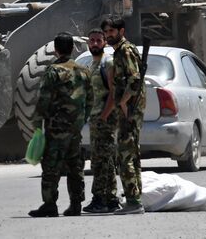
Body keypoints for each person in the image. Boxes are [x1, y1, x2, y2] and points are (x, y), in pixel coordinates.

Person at [29, 33, 93, 218]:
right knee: (75, 166)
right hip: (75, 129)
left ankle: (50, 204)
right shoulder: (84, 71)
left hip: (56, 128)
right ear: (72, 48)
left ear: (56, 50)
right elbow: (90, 101)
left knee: (51, 166)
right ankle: (76, 205)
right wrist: (80, 120)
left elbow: (43, 101)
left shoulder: (53, 71)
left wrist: (38, 126)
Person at [100, 16, 146, 215]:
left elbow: (134, 79)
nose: (108, 35)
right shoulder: (121, 50)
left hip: (130, 110)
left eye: (111, 31)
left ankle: (134, 201)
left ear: (121, 31)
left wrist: (124, 102)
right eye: (106, 32)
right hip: (129, 109)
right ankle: (135, 198)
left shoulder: (125, 51)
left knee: (125, 155)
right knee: (132, 154)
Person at [82, 28, 121, 214]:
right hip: (96, 118)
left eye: (99, 40)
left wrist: (105, 115)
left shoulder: (108, 62)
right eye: (92, 41)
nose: (95, 43)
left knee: (100, 160)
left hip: (105, 118)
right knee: (105, 159)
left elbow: (114, 93)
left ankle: (99, 199)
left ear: (105, 42)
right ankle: (112, 198)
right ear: (88, 43)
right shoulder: (92, 65)